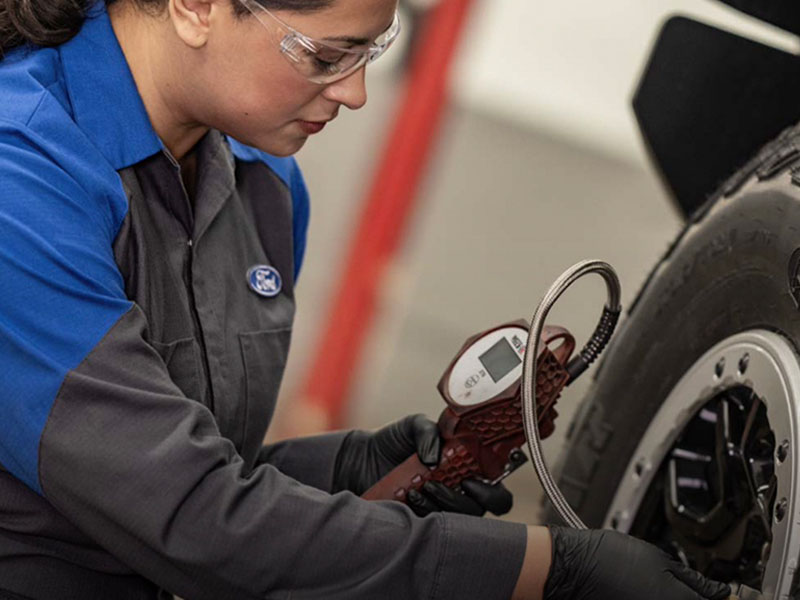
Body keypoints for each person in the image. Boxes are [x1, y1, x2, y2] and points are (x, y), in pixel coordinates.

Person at [0, 0, 733, 598]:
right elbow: (192, 521)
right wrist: (548, 572)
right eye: (325, 56)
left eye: (372, 52)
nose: (355, 92)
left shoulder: (265, 186)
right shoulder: (21, 179)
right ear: (196, 7)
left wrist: (344, 468)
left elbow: (156, 472)